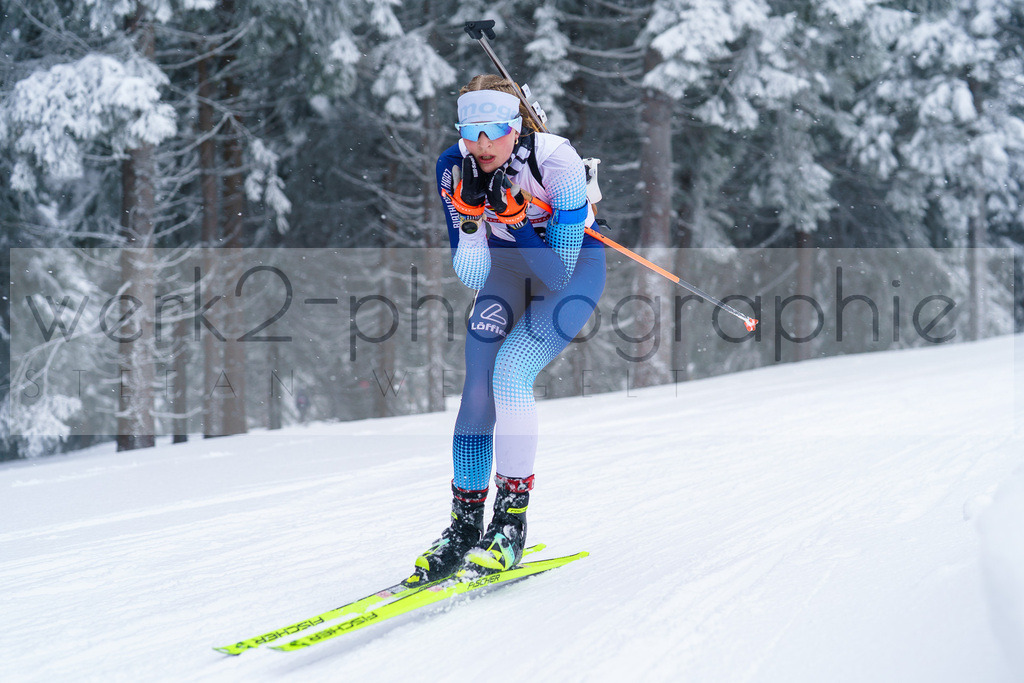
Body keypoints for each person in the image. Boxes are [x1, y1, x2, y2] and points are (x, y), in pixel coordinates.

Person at [409, 75, 606, 581]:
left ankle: (510, 526)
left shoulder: (557, 162)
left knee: (512, 373)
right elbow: (472, 273)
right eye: (469, 131)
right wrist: (473, 216)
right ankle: (464, 526)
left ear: (514, 128)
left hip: (569, 268)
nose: (480, 145)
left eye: (492, 131)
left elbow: (557, 273)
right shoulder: (454, 167)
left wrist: (516, 220)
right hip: (504, 270)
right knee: (477, 388)